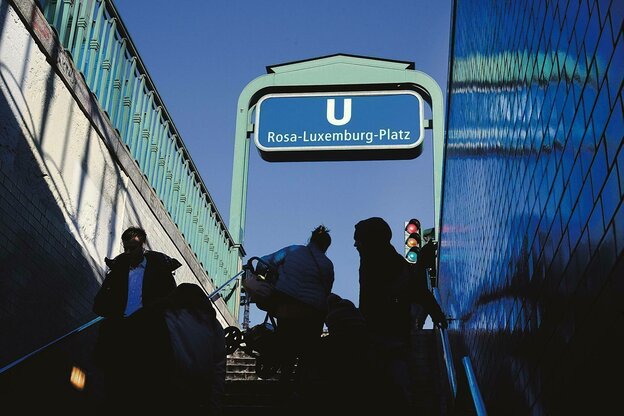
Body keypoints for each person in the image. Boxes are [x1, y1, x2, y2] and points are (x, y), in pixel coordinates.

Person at [353, 217, 448, 412]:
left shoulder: (384, 263)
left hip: (385, 337)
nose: (355, 244)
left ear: (370, 240)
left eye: (358, 239)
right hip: (391, 337)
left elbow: (416, 290)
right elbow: (419, 291)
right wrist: (436, 313)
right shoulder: (384, 261)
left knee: (387, 388)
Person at [92, 226, 182, 413]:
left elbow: (171, 301)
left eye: (133, 247)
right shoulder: (118, 270)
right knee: (117, 381)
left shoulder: (158, 268)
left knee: (142, 382)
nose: (129, 252)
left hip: (146, 331)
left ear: (142, 245)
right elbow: (100, 302)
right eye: (126, 248)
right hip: (121, 330)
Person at [256, 225, 334, 395]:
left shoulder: (293, 250)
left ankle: (283, 386)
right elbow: (327, 290)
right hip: (314, 313)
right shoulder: (327, 265)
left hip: (288, 306)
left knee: (287, 350)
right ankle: (300, 391)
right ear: (326, 246)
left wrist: (265, 276)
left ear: (311, 240)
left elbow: (265, 261)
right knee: (306, 354)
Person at [162, 283, 226, 415]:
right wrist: (215, 407)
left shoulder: (166, 317)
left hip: (167, 389)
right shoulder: (214, 325)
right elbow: (219, 369)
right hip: (198, 393)